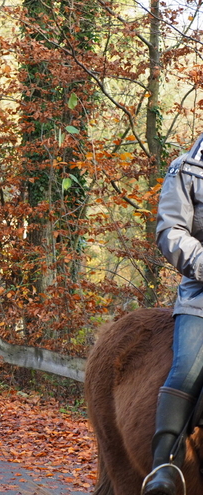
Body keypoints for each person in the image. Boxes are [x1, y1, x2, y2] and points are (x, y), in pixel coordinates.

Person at [144, 134, 203, 495]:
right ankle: (165, 466)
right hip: (202, 298)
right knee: (187, 369)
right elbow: (170, 230)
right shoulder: (187, 167)